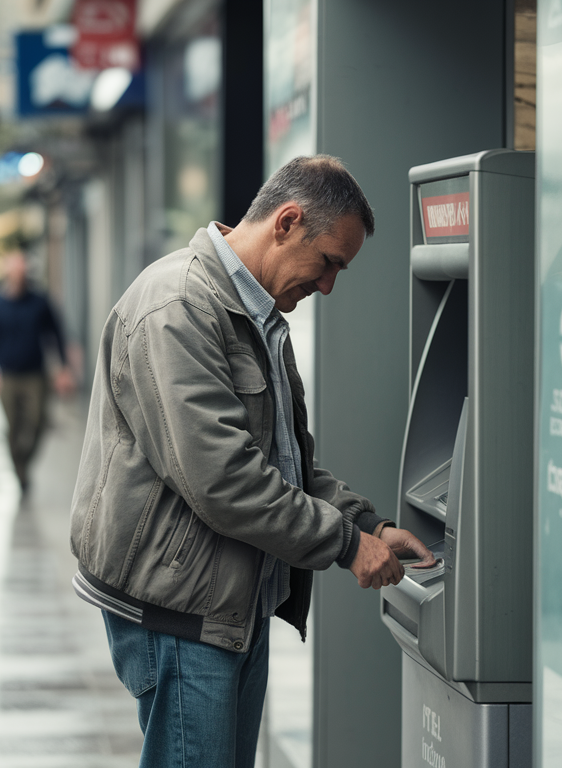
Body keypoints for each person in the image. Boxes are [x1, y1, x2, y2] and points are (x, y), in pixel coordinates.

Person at [68, 155, 435, 767]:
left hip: (227, 604)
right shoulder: (179, 306)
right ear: (286, 222)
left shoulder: (254, 313)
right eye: (329, 263)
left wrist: (367, 524)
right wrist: (345, 545)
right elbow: (226, 480)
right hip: (180, 613)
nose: (327, 286)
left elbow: (282, 460)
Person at [0, 253, 73, 494]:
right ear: (8, 275)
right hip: (8, 375)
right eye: (15, 273)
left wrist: (63, 367)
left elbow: (57, 334)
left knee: (38, 423)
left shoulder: (40, 302)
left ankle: (24, 463)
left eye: (23, 273)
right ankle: (19, 472)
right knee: (13, 427)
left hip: (35, 374)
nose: (19, 278)